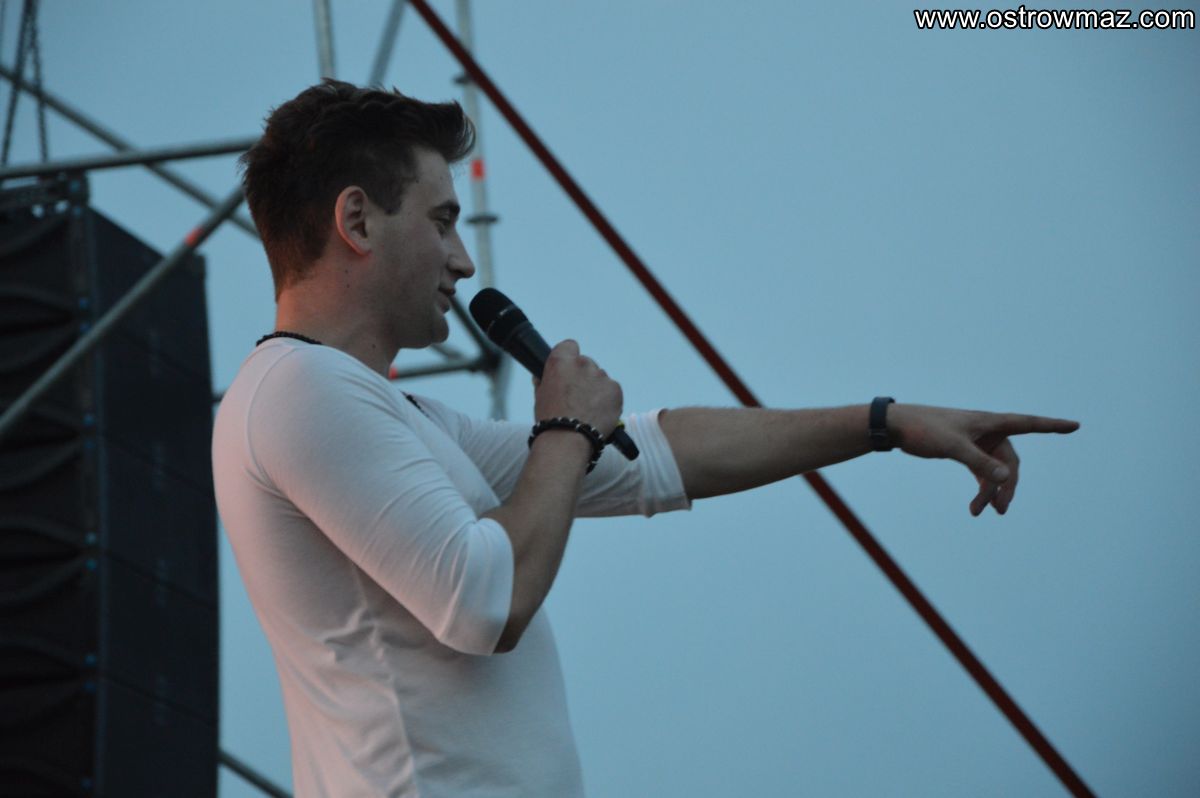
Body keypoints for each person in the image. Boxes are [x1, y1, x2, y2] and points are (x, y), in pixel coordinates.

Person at [211, 79, 1080, 798]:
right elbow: (484, 601)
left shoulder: (392, 416)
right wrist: (564, 428)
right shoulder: (300, 388)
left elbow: (653, 456)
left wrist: (883, 423)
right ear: (357, 221)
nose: (465, 261)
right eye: (443, 222)